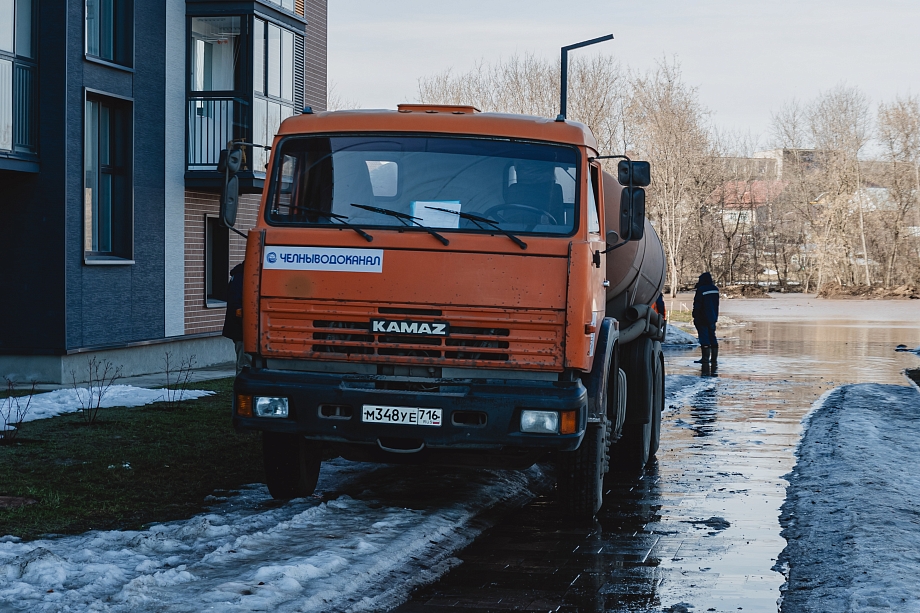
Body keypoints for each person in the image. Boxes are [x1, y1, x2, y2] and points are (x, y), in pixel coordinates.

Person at [222, 262, 250, 373]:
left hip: (242, 327)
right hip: (242, 329)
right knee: (245, 363)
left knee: (245, 362)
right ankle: (242, 388)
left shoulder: (239, 275)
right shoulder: (242, 276)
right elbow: (236, 305)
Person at [692, 272, 720, 367]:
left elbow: (698, 304)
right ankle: (714, 359)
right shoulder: (715, 289)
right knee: (712, 336)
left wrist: (695, 314)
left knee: (704, 338)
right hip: (713, 316)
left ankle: (705, 359)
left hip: (702, 318)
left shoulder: (701, 290)